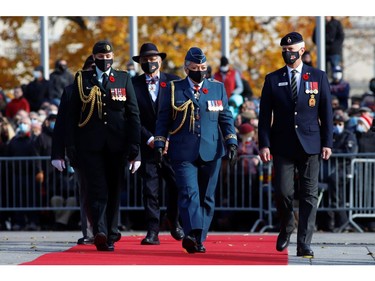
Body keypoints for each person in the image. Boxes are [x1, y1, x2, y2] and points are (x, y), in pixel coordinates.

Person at [154, 47, 238, 254]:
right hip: (183, 151)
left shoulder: (217, 88)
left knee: (207, 197)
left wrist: (232, 141)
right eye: (195, 68)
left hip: (211, 150)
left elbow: (225, 117)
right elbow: (163, 118)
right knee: (189, 193)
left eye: (203, 67)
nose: (200, 71)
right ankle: (192, 233)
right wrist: (159, 142)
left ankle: (199, 238)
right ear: (186, 68)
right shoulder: (174, 89)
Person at [258, 32, 333, 258]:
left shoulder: (318, 77)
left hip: (310, 144)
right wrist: (264, 144)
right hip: (282, 145)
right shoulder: (272, 79)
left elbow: (326, 112)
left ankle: (304, 243)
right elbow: (264, 116)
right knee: (282, 192)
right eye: (284, 50)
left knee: (309, 195)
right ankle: (287, 224)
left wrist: (327, 142)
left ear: (301, 51)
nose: (287, 54)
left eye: (291, 50)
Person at [66, 40, 141, 251]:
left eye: (109, 57)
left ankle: (111, 232)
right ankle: (100, 231)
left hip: (117, 146)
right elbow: (72, 117)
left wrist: (135, 144)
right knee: (97, 188)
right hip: (90, 146)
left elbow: (133, 114)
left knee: (114, 190)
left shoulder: (123, 79)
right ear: (95, 58)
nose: (106, 60)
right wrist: (70, 144)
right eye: (101, 57)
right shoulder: (82, 80)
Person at [131, 42, 184, 245]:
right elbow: (133, 118)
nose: (150, 63)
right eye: (145, 60)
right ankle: (152, 231)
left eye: (153, 60)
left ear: (160, 61)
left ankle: (173, 220)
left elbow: (179, 114)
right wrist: (150, 138)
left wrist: (168, 138)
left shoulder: (174, 82)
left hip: (171, 145)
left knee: (176, 186)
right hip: (148, 146)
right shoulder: (133, 85)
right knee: (150, 190)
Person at [51, 55, 96, 244]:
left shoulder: (115, 89)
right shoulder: (71, 91)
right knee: (85, 191)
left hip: (108, 151)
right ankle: (90, 232)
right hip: (81, 151)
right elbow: (60, 124)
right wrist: (58, 154)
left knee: (108, 192)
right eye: (91, 67)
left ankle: (108, 229)